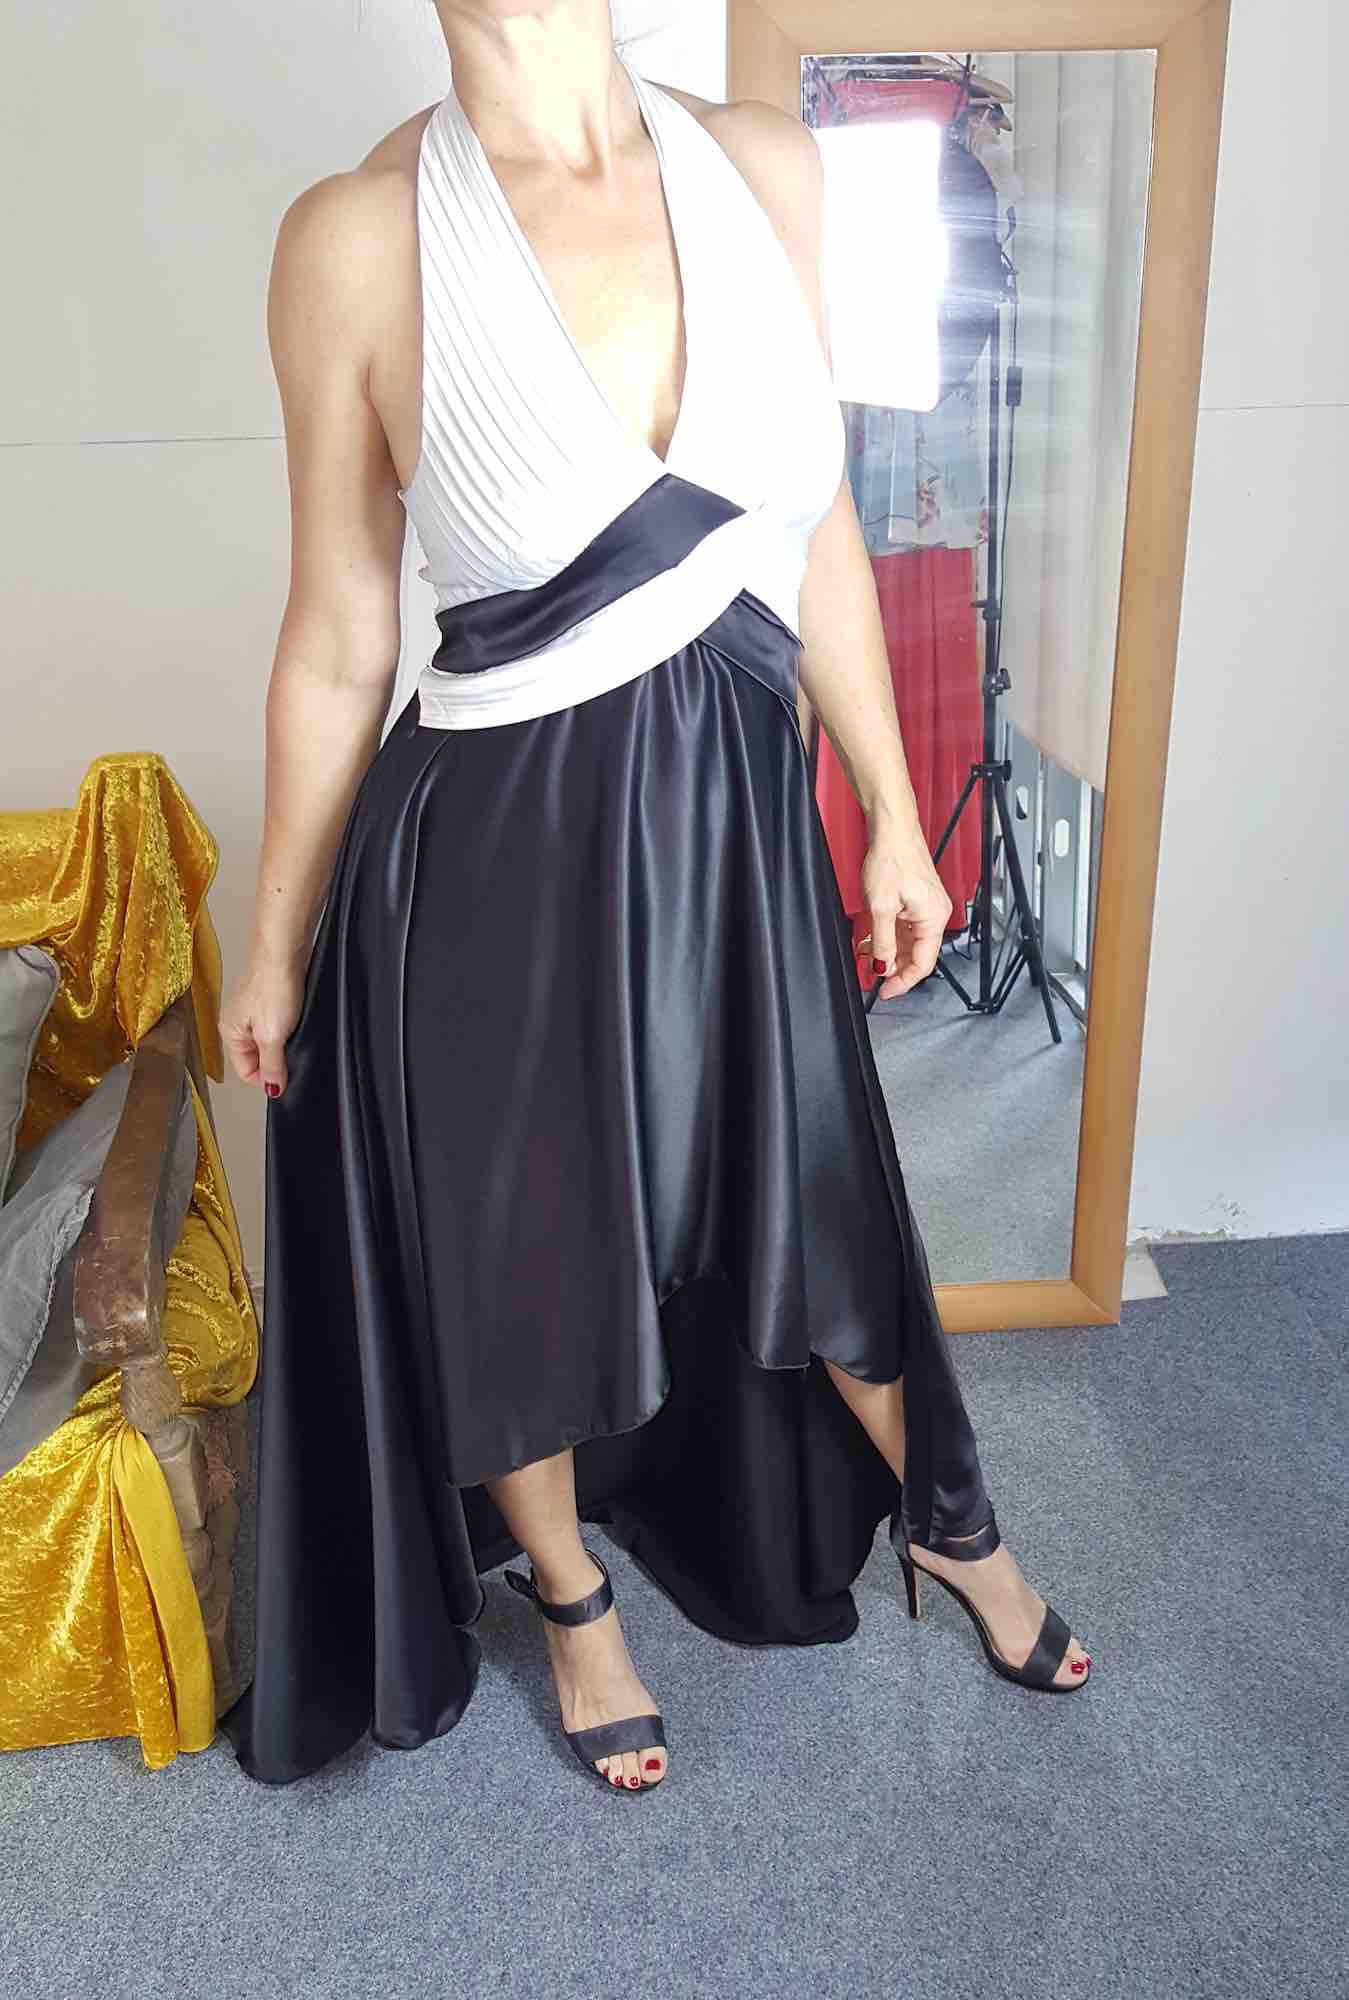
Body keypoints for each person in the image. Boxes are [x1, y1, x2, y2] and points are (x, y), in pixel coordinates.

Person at [217, 1, 1090, 1794]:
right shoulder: (357, 238)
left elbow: (814, 526)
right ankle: (570, 1595)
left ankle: (953, 1526)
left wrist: (895, 812)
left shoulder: (766, 167)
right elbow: (337, 631)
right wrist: (274, 938)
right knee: (522, 1256)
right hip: (489, 852)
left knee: (817, 1213)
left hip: (735, 836)